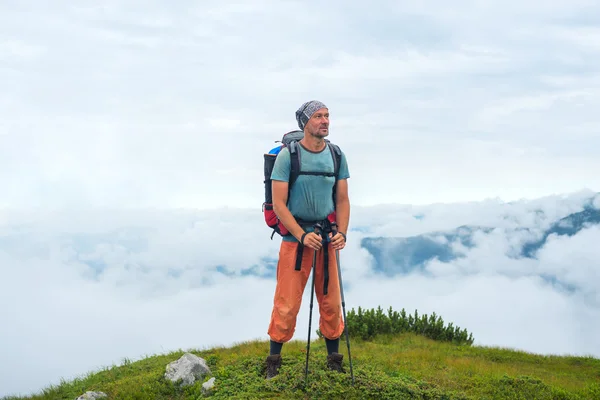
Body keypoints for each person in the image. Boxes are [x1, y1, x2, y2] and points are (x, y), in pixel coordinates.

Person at [265, 100, 350, 379]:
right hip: (295, 239)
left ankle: (334, 361)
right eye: (318, 116)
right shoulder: (288, 156)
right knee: (287, 302)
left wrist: (342, 233)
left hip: (326, 238)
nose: (325, 121)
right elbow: (279, 204)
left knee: (331, 301)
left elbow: (342, 199)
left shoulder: (336, 155)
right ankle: (273, 364)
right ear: (305, 123)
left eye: (327, 116)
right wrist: (302, 236)